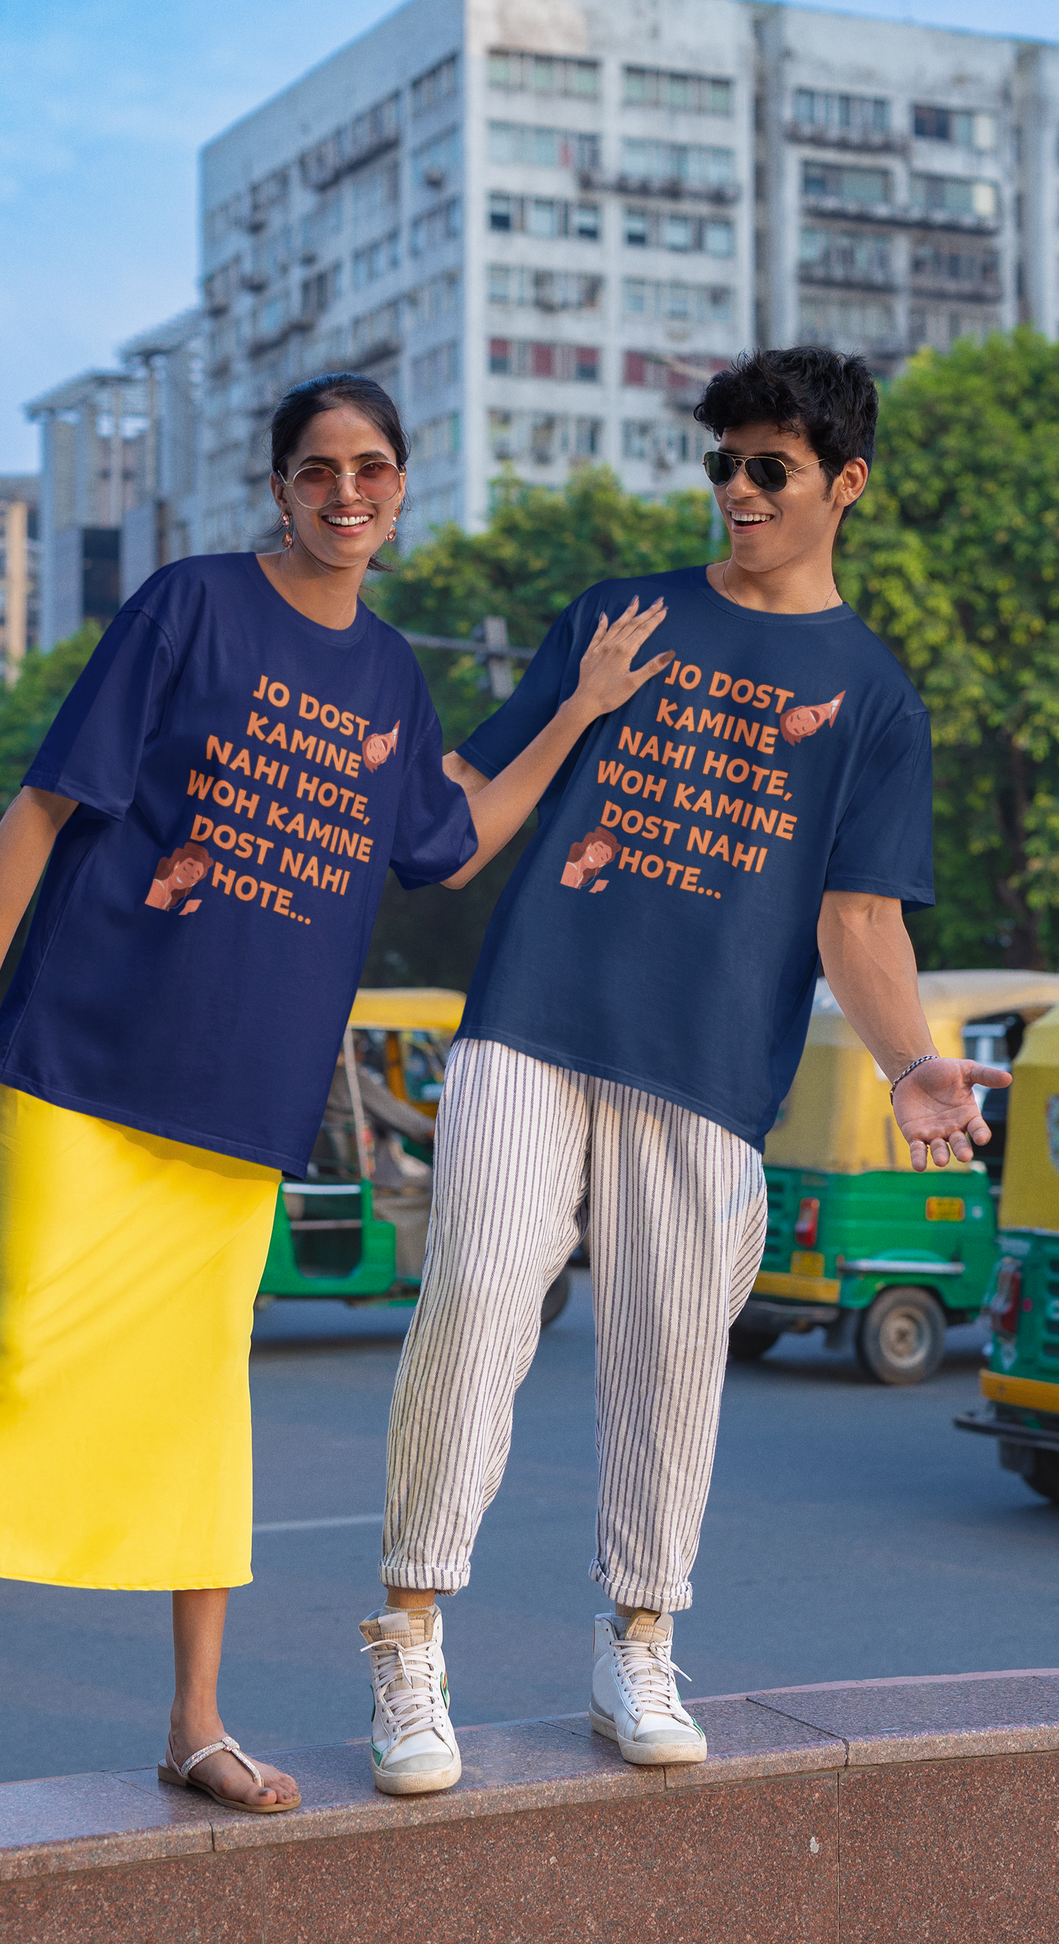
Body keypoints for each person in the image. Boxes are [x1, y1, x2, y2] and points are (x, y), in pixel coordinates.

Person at [0, 368, 670, 1861]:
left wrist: (583, 712)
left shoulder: (394, 679)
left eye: (377, 471)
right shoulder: (188, 607)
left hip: (244, 1103)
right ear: (277, 488)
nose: (350, 493)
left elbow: (451, 843)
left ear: (401, 494)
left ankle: (195, 1725)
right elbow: (42, 808)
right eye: (321, 468)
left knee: (205, 1404)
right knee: (18, 1378)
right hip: (83, 1066)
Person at [362, 345, 1010, 1797]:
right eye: (719, 463)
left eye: (766, 467)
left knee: (668, 1363)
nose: (734, 489)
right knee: (473, 1297)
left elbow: (859, 917)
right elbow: (475, 794)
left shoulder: (874, 700)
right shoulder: (618, 617)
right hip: (529, 1023)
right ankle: (409, 1639)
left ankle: (636, 1638)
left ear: (842, 486)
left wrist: (912, 1060)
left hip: (708, 1070)